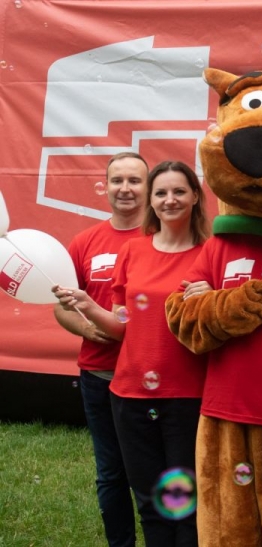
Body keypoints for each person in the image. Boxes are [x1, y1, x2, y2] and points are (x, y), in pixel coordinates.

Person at [54, 160, 211, 547]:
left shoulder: (212, 253)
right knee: (150, 504)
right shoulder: (133, 250)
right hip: (129, 395)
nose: (170, 199)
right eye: (161, 192)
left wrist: (213, 299)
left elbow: (220, 326)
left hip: (188, 396)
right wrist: (88, 305)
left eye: (179, 191)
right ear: (151, 201)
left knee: (188, 504)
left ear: (195, 196)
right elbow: (122, 326)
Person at [53, 151, 148, 547]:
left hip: (152, 381)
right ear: (105, 187)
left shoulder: (165, 239)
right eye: (117, 180)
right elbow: (62, 306)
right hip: (99, 377)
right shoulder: (84, 242)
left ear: (149, 188)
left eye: (134, 180)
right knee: (111, 473)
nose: (125, 188)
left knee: (153, 473)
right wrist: (87, 329)